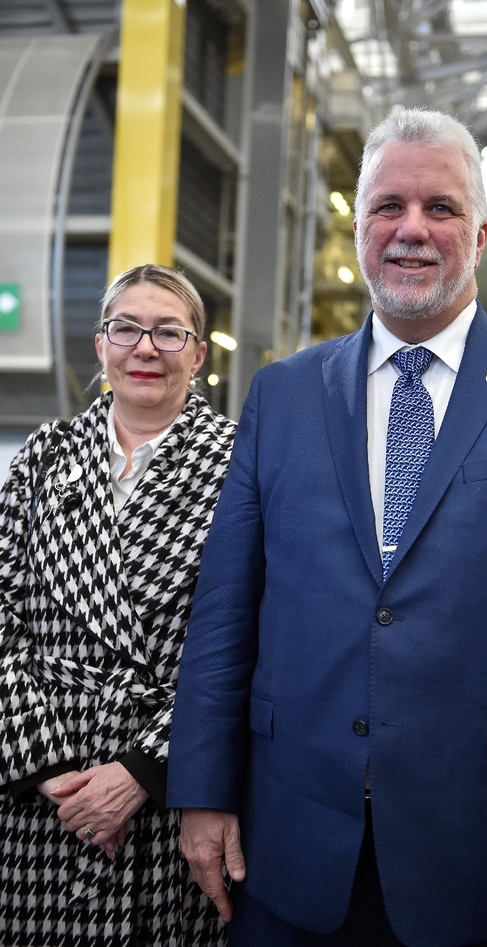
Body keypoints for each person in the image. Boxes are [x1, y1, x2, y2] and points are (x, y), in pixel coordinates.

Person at [166, 110, 487, 947]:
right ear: (357, 229)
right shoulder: (281, 396)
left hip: (486, 849)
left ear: (480, 233)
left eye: (441, 208)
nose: (411, 230)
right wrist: (201, 789)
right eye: (388, 206)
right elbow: (225, 614)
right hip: (289, 845)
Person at [0, 264, 236, 946]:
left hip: (168, 793)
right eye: (127, 328)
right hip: (42, 792)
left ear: (198, 352)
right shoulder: (44, 456)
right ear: (100, 345)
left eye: (168, 331)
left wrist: (142, 767)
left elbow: (258, 636)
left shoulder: (241, 461)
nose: (145, 348)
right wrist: (45, 767)